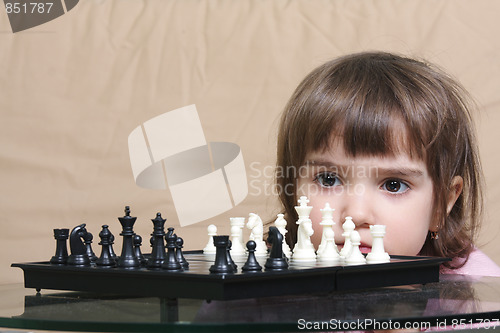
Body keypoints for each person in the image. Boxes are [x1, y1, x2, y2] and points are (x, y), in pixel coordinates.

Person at [275, 51, 500, 276]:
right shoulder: (270, 269)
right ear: (292, 188)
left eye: (394, 184)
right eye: (328, 179)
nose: (356, 214)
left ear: (441, 204)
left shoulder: (475, 291)